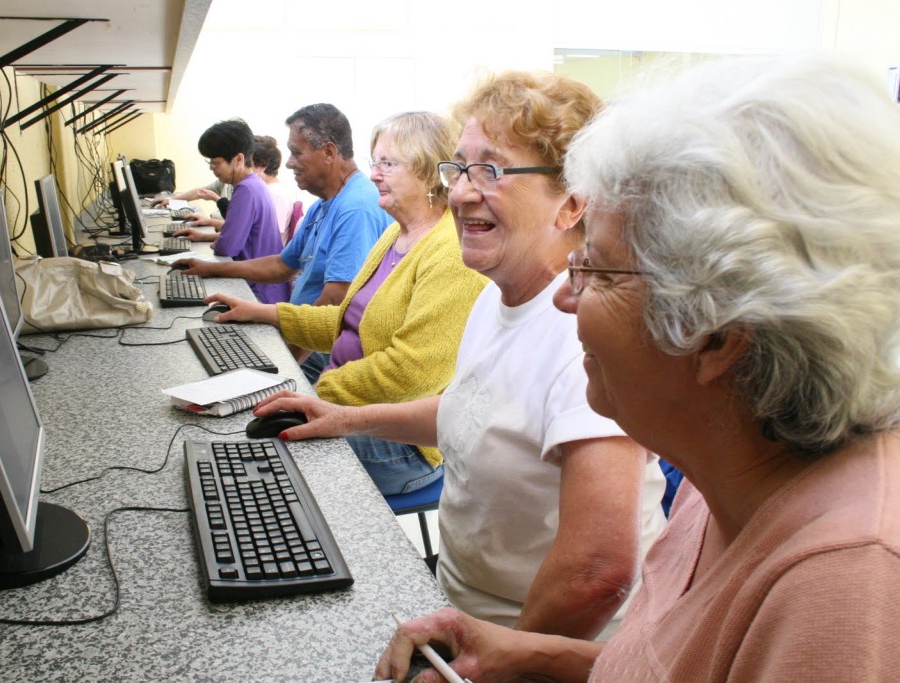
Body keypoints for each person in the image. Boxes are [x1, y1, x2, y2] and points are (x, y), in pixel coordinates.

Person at [373, 55, 900, 682]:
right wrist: (520, 654)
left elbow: (599, 575)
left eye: (595, 270)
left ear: (714, 332)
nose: (565, 297)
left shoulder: (844, 585)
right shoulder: (723, 475)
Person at [255, 72, 666, 638]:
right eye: (460, 169)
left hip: (528, 638)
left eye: (491, 171)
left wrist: (497, 661)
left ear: (571, 203)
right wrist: (341, 418)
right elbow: (468, 409)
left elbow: (596, 573)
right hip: (458, 604)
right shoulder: (496, 297)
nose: (462, 192)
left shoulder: (585, 334)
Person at [205, 112, 488, 495]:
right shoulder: (396, 234)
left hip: (403, 443)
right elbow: (347, 321)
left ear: (428, 173)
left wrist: (315, 394)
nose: (373, 175)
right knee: (240, 436)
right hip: (350, 405)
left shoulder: (450, 253)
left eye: (388, 164)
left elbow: (410, 373)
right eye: (375, 163)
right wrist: (263, 312)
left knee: (260, 452)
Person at [174, 103, 391, 375]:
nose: (288, 163)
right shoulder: (323, 204)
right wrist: (211, 269)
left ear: (329, 152)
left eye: (296, 152)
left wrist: (287, 364)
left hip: (321, 349)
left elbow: (337, 299)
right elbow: (281, 265)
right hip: (299, 330)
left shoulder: (356, 208)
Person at [170, 119, 289, 304]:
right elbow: (246, 236)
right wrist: (205, 237)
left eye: (216, 163)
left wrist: (218, 242)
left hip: (258, 292)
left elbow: (228, 247)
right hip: (266, 286)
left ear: (239, 160)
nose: (212, 168)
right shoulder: (254, 185)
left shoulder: (246, 191)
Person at [252, 134, 307, 244]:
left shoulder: (275, 195)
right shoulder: (267, 191)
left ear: (261, 166)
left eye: (247, 163)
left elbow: (270, 238)